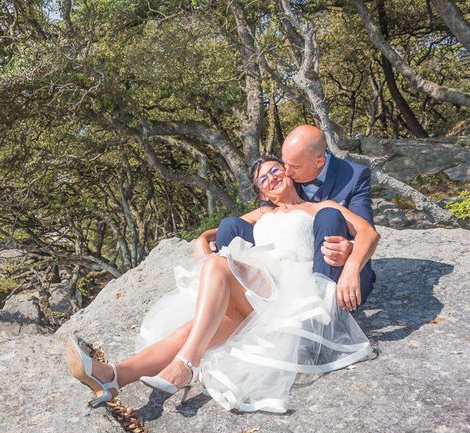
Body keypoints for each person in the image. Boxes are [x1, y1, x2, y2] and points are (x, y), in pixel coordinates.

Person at [67, 155, 380, 413]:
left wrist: (352, 265)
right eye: (263, 180)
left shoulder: (318, 208)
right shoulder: (261, 214)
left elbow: (367, 232)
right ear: (262, 193)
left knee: (216, 271)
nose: (271, 178)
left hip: (291, 292)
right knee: (190, 330)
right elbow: (217, 232)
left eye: (275, 171)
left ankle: (186, 364)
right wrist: (203, 238)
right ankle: (112, 376)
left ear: (289, 173)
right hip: (260, 291)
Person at [208, 125, 376, 307]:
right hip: (287, 267)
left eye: (292, 167)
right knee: (230, 224)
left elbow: (367, 231)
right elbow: (263, 215)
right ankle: (236, 304)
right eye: (283, 164)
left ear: (319, 162)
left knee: (329, 215)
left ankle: (324, 311)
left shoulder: (354, 178)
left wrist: (351, 259)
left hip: (336, 263)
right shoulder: (286, 176)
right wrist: (205, 237)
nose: (286, 171)